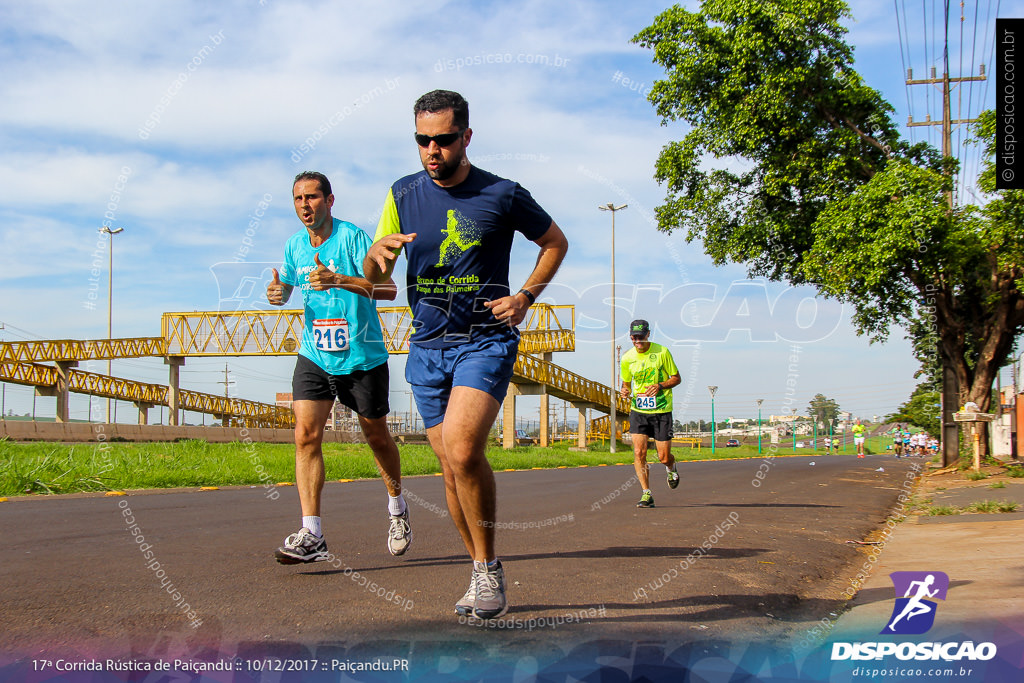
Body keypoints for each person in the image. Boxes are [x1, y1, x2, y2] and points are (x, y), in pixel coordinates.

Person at [363, 90, 568, 619]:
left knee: (461, 450)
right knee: (450, 469)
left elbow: (555, 243)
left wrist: (524, 297)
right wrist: (374, 259)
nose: (433, 150)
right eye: (422, 140)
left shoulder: (502, 193)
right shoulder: (402, 193)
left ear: (467, 137)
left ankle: (488, 569)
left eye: (444, 139)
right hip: (428, 344)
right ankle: (478, 568)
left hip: (485, 338)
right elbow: (378, 280)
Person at [267, 171, 411, 564]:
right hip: (315, 352)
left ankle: (397, 509)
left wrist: (340, 280)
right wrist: (279, 294)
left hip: (362, 356)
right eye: (298, 199)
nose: (304, 205)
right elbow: (291, 285)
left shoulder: (353, 238)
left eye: (312, 197)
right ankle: (312, 533)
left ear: (330, 201)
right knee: (305, 436)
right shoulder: (295, 245)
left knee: (376, 436)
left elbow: (388, 290)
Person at [619, 320, 682, 508]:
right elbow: (626, 384)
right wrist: (624, 391)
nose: (637, 340)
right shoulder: (627, 358)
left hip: (662, 411)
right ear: (631, 337)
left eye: (641, 336)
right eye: (634, 337)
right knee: (639, 453)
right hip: (639, 410)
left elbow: (677, 378)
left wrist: (660, 385)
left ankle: (671, 467)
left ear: (648, 335)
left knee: (663, 457)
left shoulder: (661, 352)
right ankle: (646, 494)